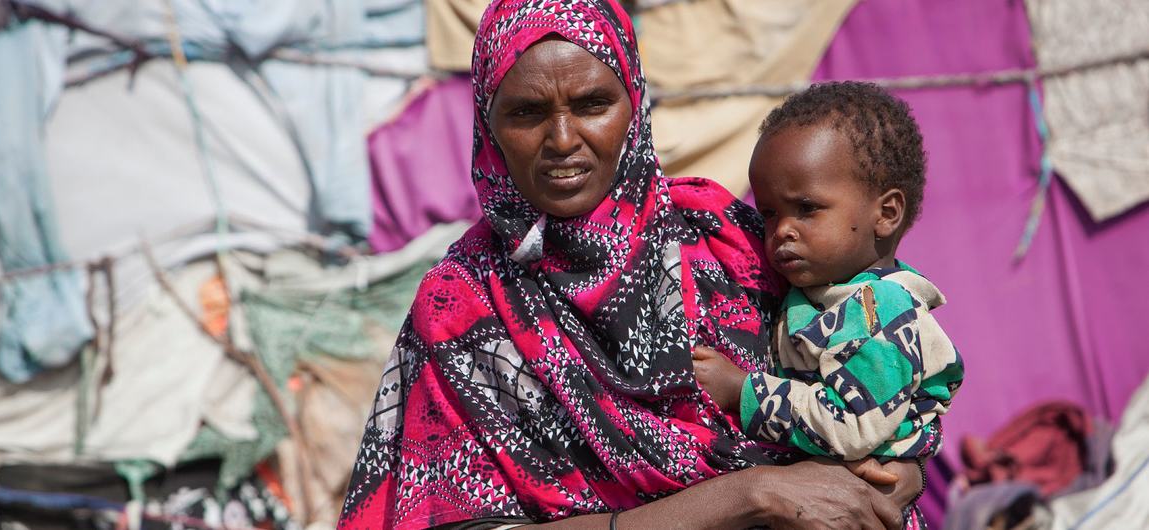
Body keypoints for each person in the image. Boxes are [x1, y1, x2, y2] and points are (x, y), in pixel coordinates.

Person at [339, 2, 922, 529]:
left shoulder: (725, 240)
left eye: (594, 104)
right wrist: (752, 493)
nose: (563, 139)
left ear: (635, 103)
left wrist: (905, 470)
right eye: (525, 113)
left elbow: (890, 363)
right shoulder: (463, 304)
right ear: (487, 126)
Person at [693, 82, 965, 521]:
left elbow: (853, 425)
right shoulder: (820, 293)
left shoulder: (881, 310)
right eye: (768, 213)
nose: (782, 229)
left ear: (887, 213)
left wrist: (744, 390)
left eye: (807, 207)